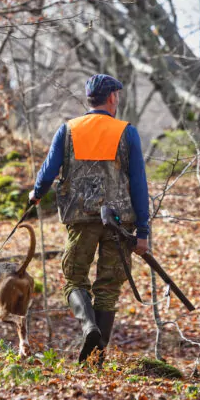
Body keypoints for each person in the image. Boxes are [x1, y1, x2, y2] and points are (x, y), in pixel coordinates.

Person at [28, 74, 149, 363]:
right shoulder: (126, 132)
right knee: (108, 287)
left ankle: (89, 326)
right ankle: (95, 360)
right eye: (117, 96)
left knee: (74, 279)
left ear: (88, 99)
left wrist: (36, 194)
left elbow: (47, 172)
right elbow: (139, 183)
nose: (117, 101)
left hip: (80, 220)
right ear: (111, 98)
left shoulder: (67, 130)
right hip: (120, 225)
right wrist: (143, 230)